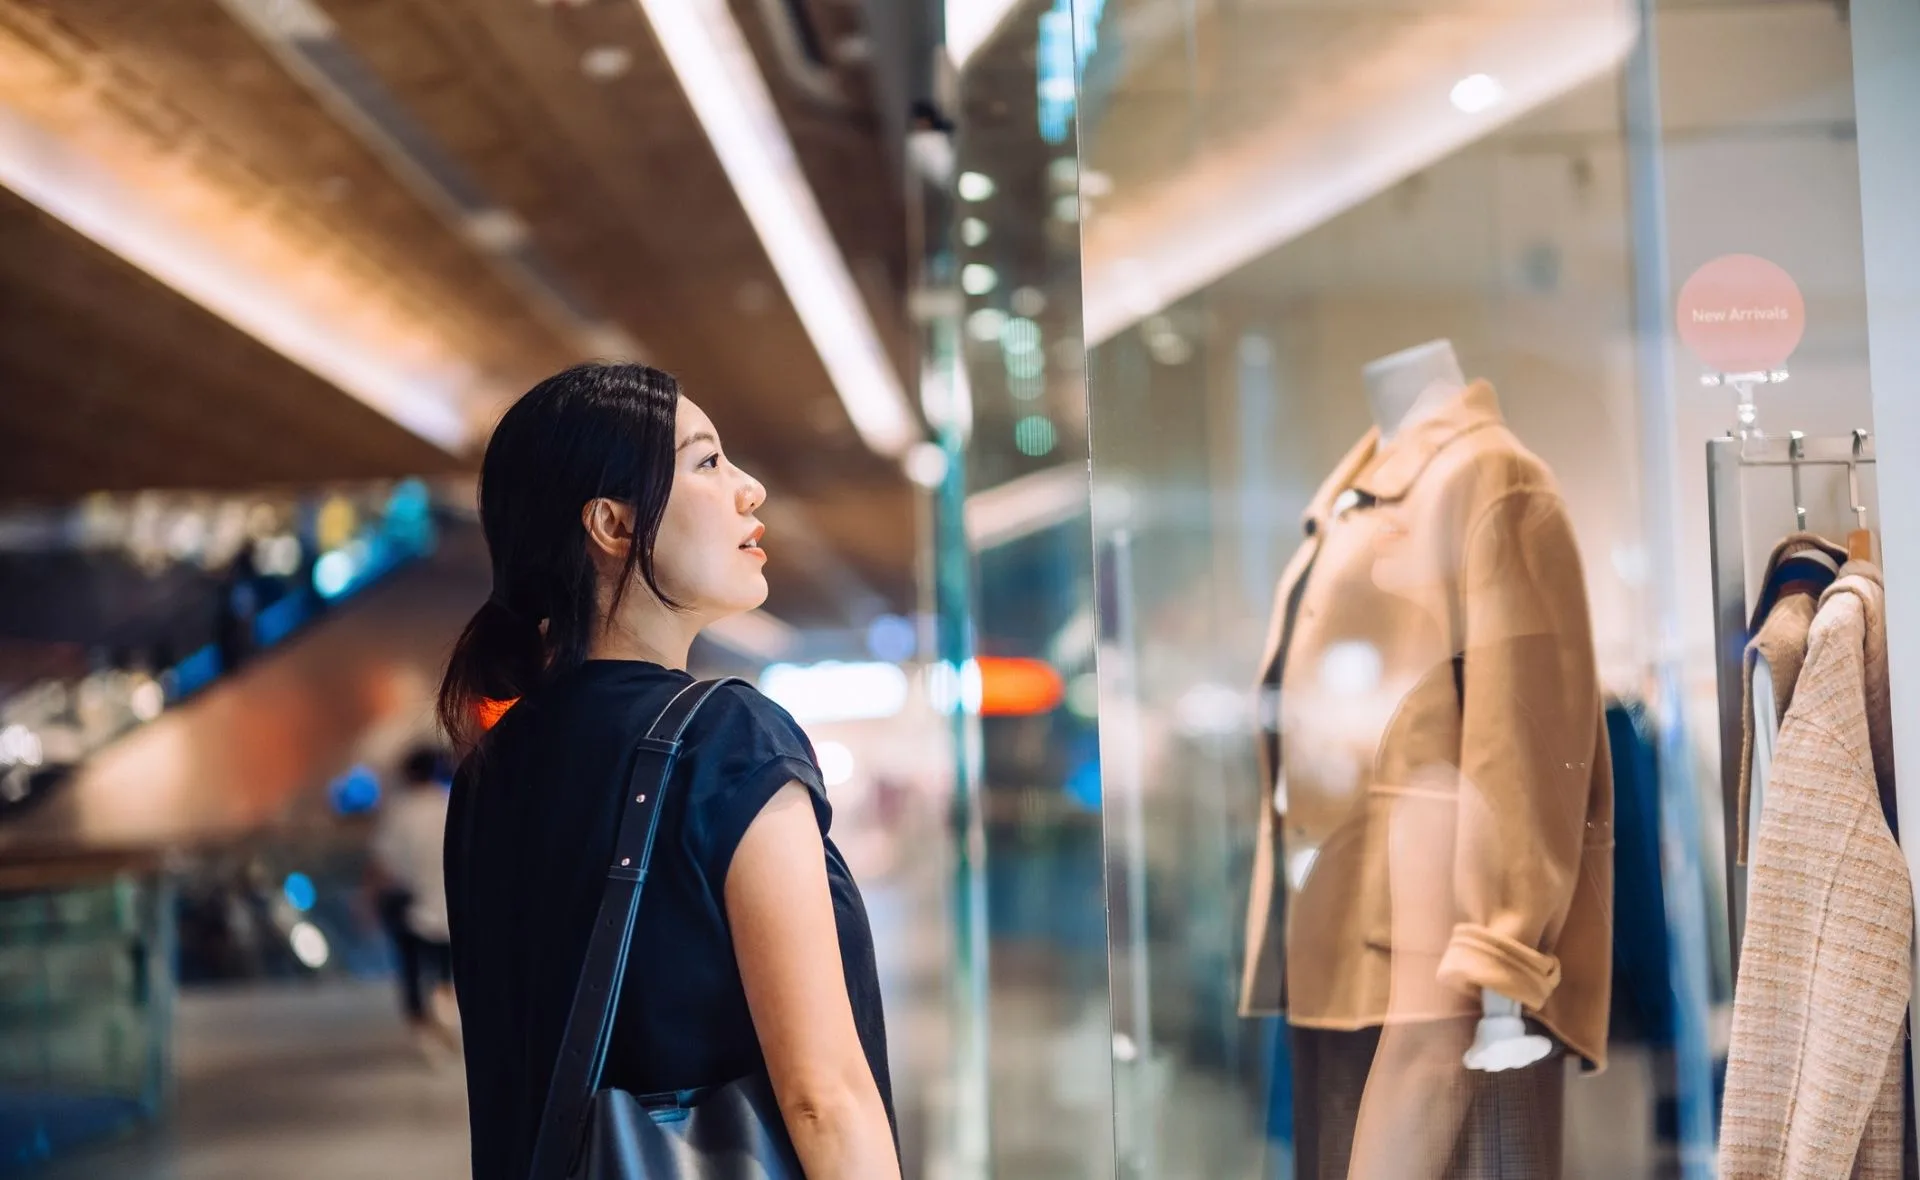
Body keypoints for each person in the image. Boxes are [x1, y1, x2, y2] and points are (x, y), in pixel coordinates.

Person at [437, 363, 898, 1180]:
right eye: (707, 462)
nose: (749, 490)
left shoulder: (491, 769)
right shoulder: (728, 740)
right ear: (613, 525)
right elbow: (823, 1097)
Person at [367, 744, 458, 1055]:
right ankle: (446, 1011)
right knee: (448, 968)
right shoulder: (449, 806)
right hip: (450, 904)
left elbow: (384, 864)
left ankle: (423, 1026)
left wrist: (367, 901)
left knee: (413, 969)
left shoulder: (400, 814)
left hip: (411, 906)